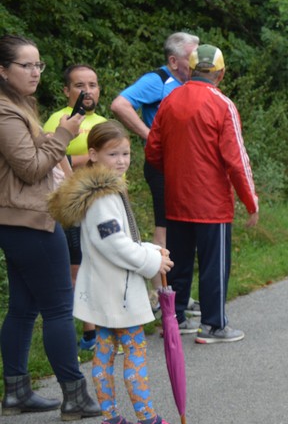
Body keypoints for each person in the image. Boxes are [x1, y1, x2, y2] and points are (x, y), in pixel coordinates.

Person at [48, 121, 184, 424]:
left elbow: (117, 238)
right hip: (119, 293)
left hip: (104, 291)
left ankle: (111, 420)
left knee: (105, 352)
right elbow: (115, 245)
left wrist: (150, 248)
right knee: (135, 351)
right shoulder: (103, 197)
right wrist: (152, 261)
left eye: (126, 153)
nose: (122, 160)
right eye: (113, 154)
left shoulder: (104, 190)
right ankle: (148, 422)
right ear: (93, 155)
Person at [0, 35, 101, 421]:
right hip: (28, 220)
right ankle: (74, 397)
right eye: (26, 65)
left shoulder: (19, 105)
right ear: (3, 70)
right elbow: (30, 167)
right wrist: (64, 135)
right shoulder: (5, 112)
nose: (35, 72)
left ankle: (17, 393)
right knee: (60, 307)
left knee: (24, 308)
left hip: (22, 217)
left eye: (38, 64)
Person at [146, 44, 259, 345]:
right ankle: (214, 325)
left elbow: (153, 151)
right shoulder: (223, 105)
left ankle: (176, 318)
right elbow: (237, 159)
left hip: (176, 198)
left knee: (179, 261)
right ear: (221, 74)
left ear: (191, 70)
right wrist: (251, 201)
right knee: (214, 264)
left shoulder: (169, 100)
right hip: (211, 202)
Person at [111, 31, 198, 259]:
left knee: (186, 227)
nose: (197, 62)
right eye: (191, 57)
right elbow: (120, 105)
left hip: (187, 167)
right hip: (162, 165)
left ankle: (177, 291)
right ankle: (163, 293)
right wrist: (150, 136)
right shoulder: (157, 80)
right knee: (166, 227)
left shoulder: (194, 83)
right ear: (173, 60)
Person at [44, 63, 109, 350]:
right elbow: (50, 160)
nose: (87, 91)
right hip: (73, 205)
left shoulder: (105, 122)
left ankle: (105, 329)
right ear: (66, 91)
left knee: (105, 265)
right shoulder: (57, 120)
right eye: (80, 85)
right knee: (77, 271)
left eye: (92, 85)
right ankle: (85, 334)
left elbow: (117, 162)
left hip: (103, 203)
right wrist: (92, 158)